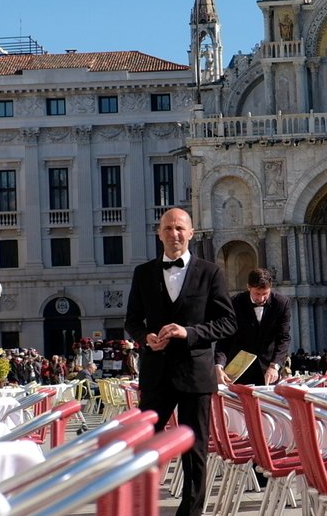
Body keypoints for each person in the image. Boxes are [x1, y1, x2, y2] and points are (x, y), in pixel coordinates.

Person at [125, 207, 237, 516]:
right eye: (168, 228)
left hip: (195, 373)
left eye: (180, 228)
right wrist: (146, 337)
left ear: (191, 233)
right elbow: (132, 321)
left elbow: (227, 322)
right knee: (144, 444)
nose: (174, 234)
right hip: (156, 372)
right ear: (159, 233)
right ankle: (137, 506)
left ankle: (190, 513)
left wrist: (188, 332)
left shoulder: (211, 272)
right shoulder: (143, 273)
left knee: (195, 450)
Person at [215, 267, 292, 386]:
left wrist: (275, 365)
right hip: (239, 372)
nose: (261, 299)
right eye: (257, 293)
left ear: (271, 288)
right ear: (248, 287)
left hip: (269, 371)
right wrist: (219, 366)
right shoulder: (234, 303)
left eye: (265, 294)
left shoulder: (281, 303)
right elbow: (224, 339)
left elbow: (283, 338)